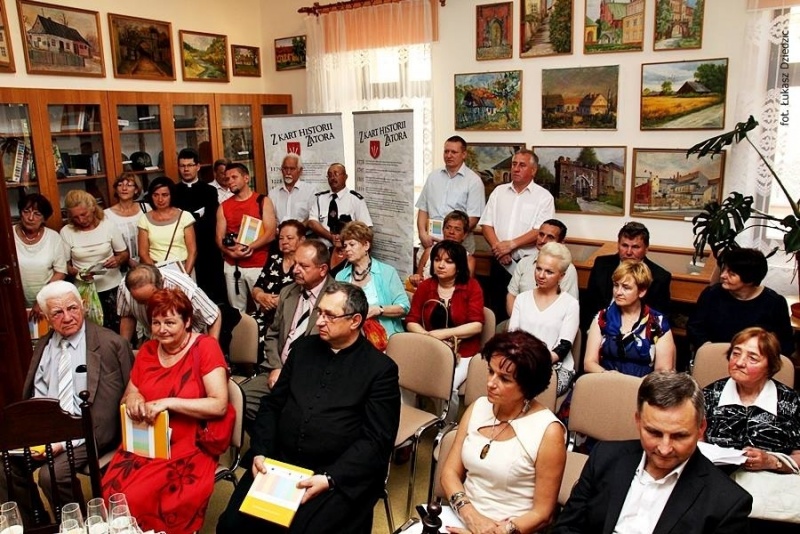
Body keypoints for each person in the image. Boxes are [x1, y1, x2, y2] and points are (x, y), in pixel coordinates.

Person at [217, 282, 401, 534]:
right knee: (232, 526)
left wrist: (330, 478)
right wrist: (260, 451)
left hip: (334, 474)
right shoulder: (303, 349)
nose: (320, 321)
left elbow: (376, 440)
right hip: (280, 463)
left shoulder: (380, 370)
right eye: (319, 312)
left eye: (330, 315)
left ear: (355, 320)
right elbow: (272, 405)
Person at [553, 371, 752, 534]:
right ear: (638, 421)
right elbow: (567, 527)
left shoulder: (727, 503)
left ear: (701, 429)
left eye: (679, 436)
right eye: (654, 433)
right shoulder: (605, 457)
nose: (664, 449)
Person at [0, 281, 132, 525]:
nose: (68, 317)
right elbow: (36, 395)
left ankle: (77, 525)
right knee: (4, 466)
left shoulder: (111, 344)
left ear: (83, 306)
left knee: (51, 475)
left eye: (72, 308)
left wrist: (62, 442)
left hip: (87, 430)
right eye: (57, 313)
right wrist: (33, 434)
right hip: (45, 432)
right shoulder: (44, 345)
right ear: (47, 317)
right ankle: (36, 524)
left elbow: (119, 403)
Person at [102, 288, 228, 534]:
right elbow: (127, 397)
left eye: (170, 322)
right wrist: (134, 397)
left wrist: (169, 402)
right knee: (111, 492)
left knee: (138, 498)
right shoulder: (148, 350)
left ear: (187, 321)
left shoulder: (205, 347)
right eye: (156, 322)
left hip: (188, 442)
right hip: (145, 440)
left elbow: (219, 404)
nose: (162, 329)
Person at [440, 330, 566, 534]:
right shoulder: (478, 407)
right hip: (463, 517)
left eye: (505, 379)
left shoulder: (548, 431)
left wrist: (494, 531)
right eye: (491, 371)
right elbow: (449, 473)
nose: (491, 383)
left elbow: (543, 513)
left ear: (528, 387)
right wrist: (470, 515)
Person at [241, 240, 335, 424]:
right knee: (239, 400)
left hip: (312, 380)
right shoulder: (287, 292)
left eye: (303, 266)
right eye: (295, 263)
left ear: (323, 269)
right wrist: (276, 367)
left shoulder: (337, 297)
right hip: (277, 372)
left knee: (293, 417)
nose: (295, 270)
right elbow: (272, 335)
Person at [406, 240, 484, 420]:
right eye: (437, 260)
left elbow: (477, 325)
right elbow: (411, 320)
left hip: (463, 351)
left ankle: (445, 426)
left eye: (449, 261)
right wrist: (429, 338)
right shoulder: (425, 286)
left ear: (459, 266)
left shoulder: (472, 287)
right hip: (429, 347)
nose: (441, 265)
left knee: (447, 386)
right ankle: (411, 420)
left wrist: (442, 334)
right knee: (405, 378)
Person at [703, 327, 800, 471]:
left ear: (770, 367)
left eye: (752, 358)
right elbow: (694, 444)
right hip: (715, 476)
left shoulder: (791, 401)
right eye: (736, 354)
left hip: (772, 479)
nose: (739, 362)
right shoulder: (708, 395)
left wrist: (771, 462)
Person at [479, 149, 555, 322]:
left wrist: (511, 245)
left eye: (522, 165)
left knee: (525, 314)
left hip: (528, 265)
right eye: (514, 164)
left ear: (533, 170)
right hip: (499, 262)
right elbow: (486, 224)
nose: (516, 168)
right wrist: (499, 249)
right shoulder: (498, 192)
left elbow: (540, 231)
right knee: (497, 311)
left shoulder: (544, 197)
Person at [688, 248, 794, 357]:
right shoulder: (712, 293)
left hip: (753, 360)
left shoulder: (774, 303)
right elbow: (694, 327)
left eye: (731, 274)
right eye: (724, 270)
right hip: (713, 355)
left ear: (749, 279)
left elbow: (785, 343)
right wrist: (707, 347)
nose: (722, 276)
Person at [509, 242, 580, 396]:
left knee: (527, 388)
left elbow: (563, 347)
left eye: (549, 272)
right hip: (521, 361)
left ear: (562, 276)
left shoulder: (570, 304)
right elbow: (512, 337)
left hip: (556, 366)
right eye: (538, 269)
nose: (541, 275)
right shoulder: (522, 299)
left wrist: (535, 363)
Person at [584, 261, 675, 377]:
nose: (618, 292)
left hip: (644, 385)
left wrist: (633, 384)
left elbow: (663, 371)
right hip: (607, 381)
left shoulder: (658, 323)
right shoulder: (602, 318)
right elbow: (589, 363)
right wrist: (609, 375)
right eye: (616, 285)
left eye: (626, 287)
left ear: (642, 291)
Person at [581, 221, 671, 331]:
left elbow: (660, 319)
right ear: (618, 245)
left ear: (646, 248)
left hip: (637, 333)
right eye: (624, 245)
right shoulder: (601, 265)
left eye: (635, 247)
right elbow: (588, 306)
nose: (628, 252)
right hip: (597, 328)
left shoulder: (659, 277)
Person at [61, 189, 129, 332]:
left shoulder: (108, 226)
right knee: (91, 332)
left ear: (92, 208)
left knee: (117, 330)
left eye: (84, 214)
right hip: (84, 290)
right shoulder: (67, 231)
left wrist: (117, 260)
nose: (81, 220)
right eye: (75, 217)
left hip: (112, 287)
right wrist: (78, 273)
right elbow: (65, 266)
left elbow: (124, 254)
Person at [216, 163, 277, 311]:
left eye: (234, 177)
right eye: (227, 178)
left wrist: (248, 247)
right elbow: (218, 237)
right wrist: (230, 252)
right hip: (232, 265)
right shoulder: (223, 206)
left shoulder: (262, 201)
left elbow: (271, 233)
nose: (230, 181)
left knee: (264, 307)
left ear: (246, 178)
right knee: (237, 311)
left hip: (258, 264)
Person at [335, 221, 409, 340]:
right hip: (350, 336)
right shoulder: (341, 276)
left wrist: (378, 310)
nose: (347, 249)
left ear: (366, 245)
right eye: (345, 246)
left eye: (352, 244)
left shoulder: (387, 272)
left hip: (384, 337)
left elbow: (404, 307)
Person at [173, 147, 225, 303]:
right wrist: (196, 216)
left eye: (189, 165)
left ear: (198, 166)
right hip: (182, 249)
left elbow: (211, 220)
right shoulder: (173, 191)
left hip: (207, 248)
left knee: (211, 294)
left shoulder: (209, 191)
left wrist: (188, 217)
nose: (186, 169)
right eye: (182, 166)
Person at [117, 264, 221, 343]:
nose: (148, 305)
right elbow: (127, 316)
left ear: (161, 283)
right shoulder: (124, 287)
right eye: (140, 302)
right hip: (154, 340)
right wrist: (124, 347)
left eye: (150, 299)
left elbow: (214, 316)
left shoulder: (185, 289)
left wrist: (212, 349)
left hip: (189, 340)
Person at [416, 136, 485, 252]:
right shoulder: (433, 177)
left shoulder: (474, 181)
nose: (449, 155)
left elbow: (473, 218)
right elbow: (423, 209)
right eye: (446, 151)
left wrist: (452, 235)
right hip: (430, 242)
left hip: (458, 245)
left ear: (464, 154)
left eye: (454, 152)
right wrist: (422, 233)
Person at [251, 219, 306, 357]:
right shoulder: (274, 259)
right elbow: (257, 286)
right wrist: (260, 296)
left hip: (288, 319)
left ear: (302, 240)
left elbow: (305, 293)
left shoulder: (305, 265)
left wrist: (279, 301)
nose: (284, 242)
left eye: (289, 238)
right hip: (264, 314)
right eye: (281, 238)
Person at [506, 219, 579, 318]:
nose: (543, 240)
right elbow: (511, 296)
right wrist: (517, 321)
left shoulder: (568, 269)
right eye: (541, 234)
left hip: (550, 323)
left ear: (561, 243)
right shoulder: (524, 262)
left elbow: (567, 308)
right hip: (518, 321)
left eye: (550, 237)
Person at [13, 193, 67, 318]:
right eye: (26, 212)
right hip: (14, 300)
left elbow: (60, 272)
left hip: (48, 299)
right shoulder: (8, 235)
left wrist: (42, 298)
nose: (30, 218)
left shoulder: (53, 237)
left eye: (37, 214)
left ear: (44, 218)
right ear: (20, 213)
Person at [138, 176, 197, 276]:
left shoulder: (185, 216)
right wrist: (157, 275)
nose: (160, 199)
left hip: (183, 268)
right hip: (155, 269)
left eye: (165, 195)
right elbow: (143, 253)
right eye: (155, 195)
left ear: (171, 195)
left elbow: (193, 251)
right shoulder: (144, 219)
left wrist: (185, 276)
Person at [307, 163, 372, 247]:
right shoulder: (320, 198)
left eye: (336, 174)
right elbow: (312, 222)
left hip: (346, 250)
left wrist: (344, 238)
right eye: (330, 175)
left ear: (345, 177)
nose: (333, 178)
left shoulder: (355, 199)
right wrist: (330, 237)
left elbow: (365, 229)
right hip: (323, 249)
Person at [409, 210, 476, 288]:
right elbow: (417, 280)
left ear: (464, 234)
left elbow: (466, 288)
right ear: (443, 230)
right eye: (448, 227)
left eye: (457, 229)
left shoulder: (468, 260)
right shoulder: (429, 252)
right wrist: (414, 279)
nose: (451, 232)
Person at [104, 173, 149, 268]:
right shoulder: (106, 215)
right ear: (116, 189)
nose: (124, 188)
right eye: (120, 185)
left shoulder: (146, 208)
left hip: (147, 263)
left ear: (136, 190)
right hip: (119, 266)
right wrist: (126, 260)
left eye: (129, 185)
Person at [270, 153, 316, 224]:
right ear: (282, 170)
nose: (288, 172)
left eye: (292, 169)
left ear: (300, 171)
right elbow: (270, 218)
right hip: (279, 230)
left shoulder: (310, 191)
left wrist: (298, 229)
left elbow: (314, 216)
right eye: (285, 168)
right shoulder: (273, 194)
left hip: (302, 230)